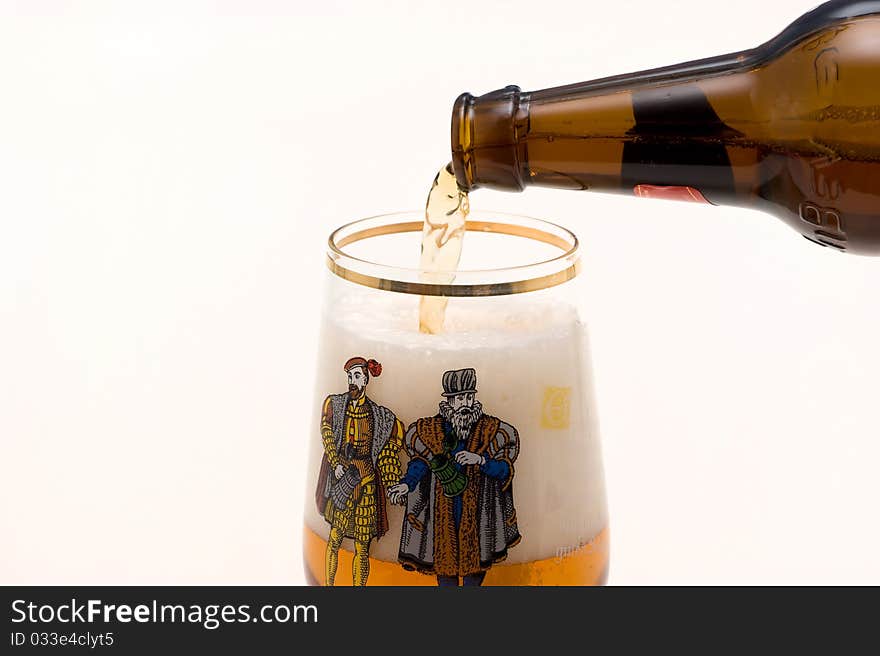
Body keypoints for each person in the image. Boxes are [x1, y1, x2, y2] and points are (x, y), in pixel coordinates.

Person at [389, 368, 521, 586]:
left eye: (470, 397)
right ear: (449, 401)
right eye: (460, 398)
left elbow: (504, 469)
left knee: (475, 568)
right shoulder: (430, 431)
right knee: (445, 567)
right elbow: (421, 462)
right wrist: (406, 485)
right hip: (443, 515)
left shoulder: (492, 430)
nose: (466, 404)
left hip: (479, 515)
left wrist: (480, 460)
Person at [314, 357, 404, 586]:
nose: (351, 381)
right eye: (349, 376)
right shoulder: (336, 404)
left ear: (366, 379)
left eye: (356, 376)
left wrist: (393, 479)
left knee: (362, 547)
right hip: (342, 478)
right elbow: (326, 432)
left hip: (366, 483)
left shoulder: (380, 415)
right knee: (334, 537)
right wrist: (336, 464)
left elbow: (392, 445)